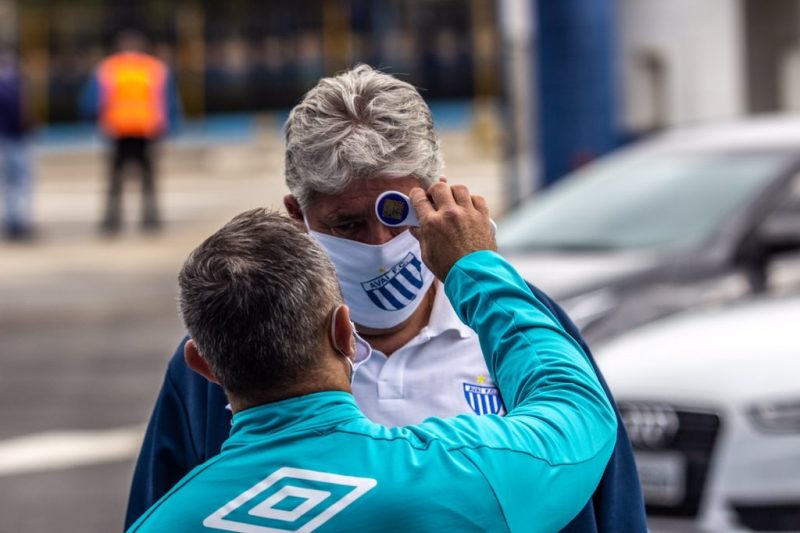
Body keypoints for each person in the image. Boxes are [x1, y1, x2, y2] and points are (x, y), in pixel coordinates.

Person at [125, 65, 647, 531]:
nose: (379, 244)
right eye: (347, 224)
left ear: (438, 195)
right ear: (298, 216)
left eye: (397, 214)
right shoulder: (237, 347)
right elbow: (577, 420)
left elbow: (611, 504)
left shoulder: (523, 326)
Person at [128, 198, 618, 532]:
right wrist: (476, 269)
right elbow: (578, 409)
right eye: (347, 223)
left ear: (202, 364)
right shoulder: (457, 473)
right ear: (345, 332)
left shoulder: (166, 520)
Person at [81, 30, 181, 235]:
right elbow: (169, 100)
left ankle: (112, 221)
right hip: (147, 129)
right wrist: (171, 127)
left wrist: (95, 121)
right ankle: (151, 219)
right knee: (148, 178)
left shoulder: (109, 67)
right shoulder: (155, 68)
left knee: (116, 179)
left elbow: (91, 100)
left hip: (118, 129)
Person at [0, 44, 34, 241]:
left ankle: (16, 221)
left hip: (16, 138)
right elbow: (19, 113)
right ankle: (15, 221)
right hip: (11, 138)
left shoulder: (20, 82)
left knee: (16, 182)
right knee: (16, 181)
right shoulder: (14, 84)